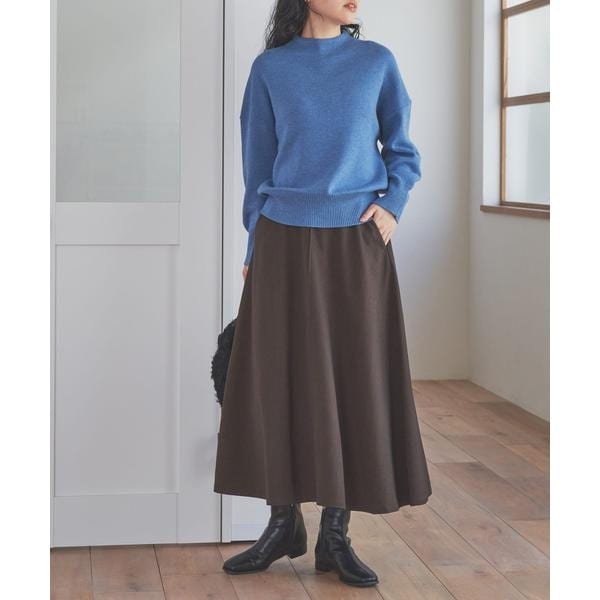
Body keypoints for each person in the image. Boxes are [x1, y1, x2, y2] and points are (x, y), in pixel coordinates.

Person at [214, 0, 431, 587]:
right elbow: (257, 165)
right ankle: (282, 522)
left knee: (353, 376)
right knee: (277, 375)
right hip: (282, 238)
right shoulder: (271, 70)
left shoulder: (375, 62)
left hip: (356, 240)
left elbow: (402, 149)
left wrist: (392, 205)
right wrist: (254, 245)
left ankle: (336, 533)